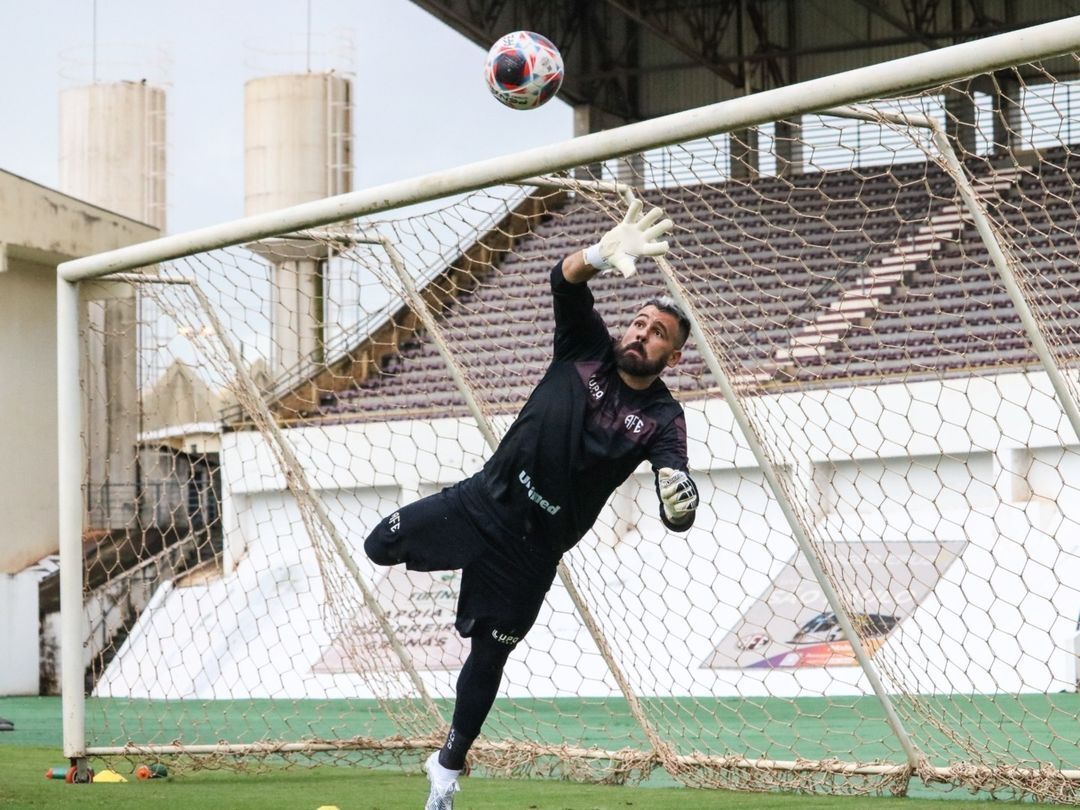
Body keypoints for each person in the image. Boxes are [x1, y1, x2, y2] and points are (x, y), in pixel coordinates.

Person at [363, 195, 700, 810]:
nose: (642, 333)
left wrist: (680, 503)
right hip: (482, 502)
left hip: (532, 549)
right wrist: (598, 254)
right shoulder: (585, 348)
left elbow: (676, 488)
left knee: (488, 652)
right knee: (378, 545)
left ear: (673, 357)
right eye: (640, 324)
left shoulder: (661, 417)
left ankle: (446, 768)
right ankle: (462, 577)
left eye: (657, 335)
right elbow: (563, 279)